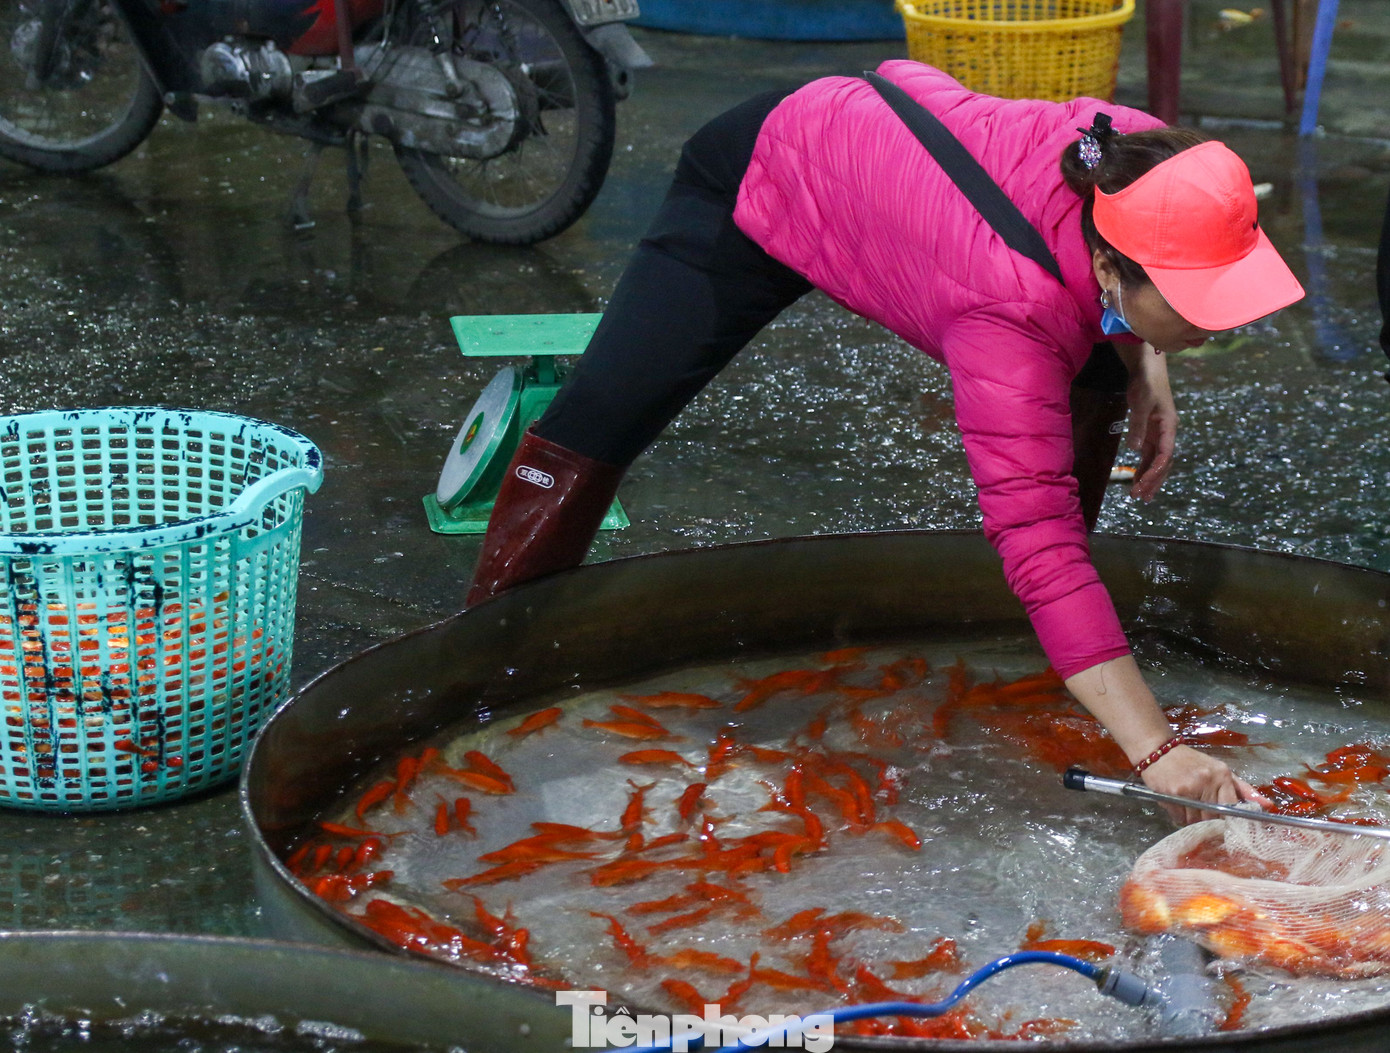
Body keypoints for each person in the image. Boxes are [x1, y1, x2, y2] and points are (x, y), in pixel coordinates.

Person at [464, 60, 1304, 822]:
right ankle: (482, 660)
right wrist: (1159, 750)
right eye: (1198, 306)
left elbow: (1123, 286)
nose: (1214, 325)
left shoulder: (1133, 159)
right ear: (1116, 266)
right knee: (603, 418)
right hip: (767, 173)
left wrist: (1141, 358)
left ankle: (1070, 674)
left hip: (906, 176)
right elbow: (1033, 534)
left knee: (1092, 373)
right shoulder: (1006, 311)